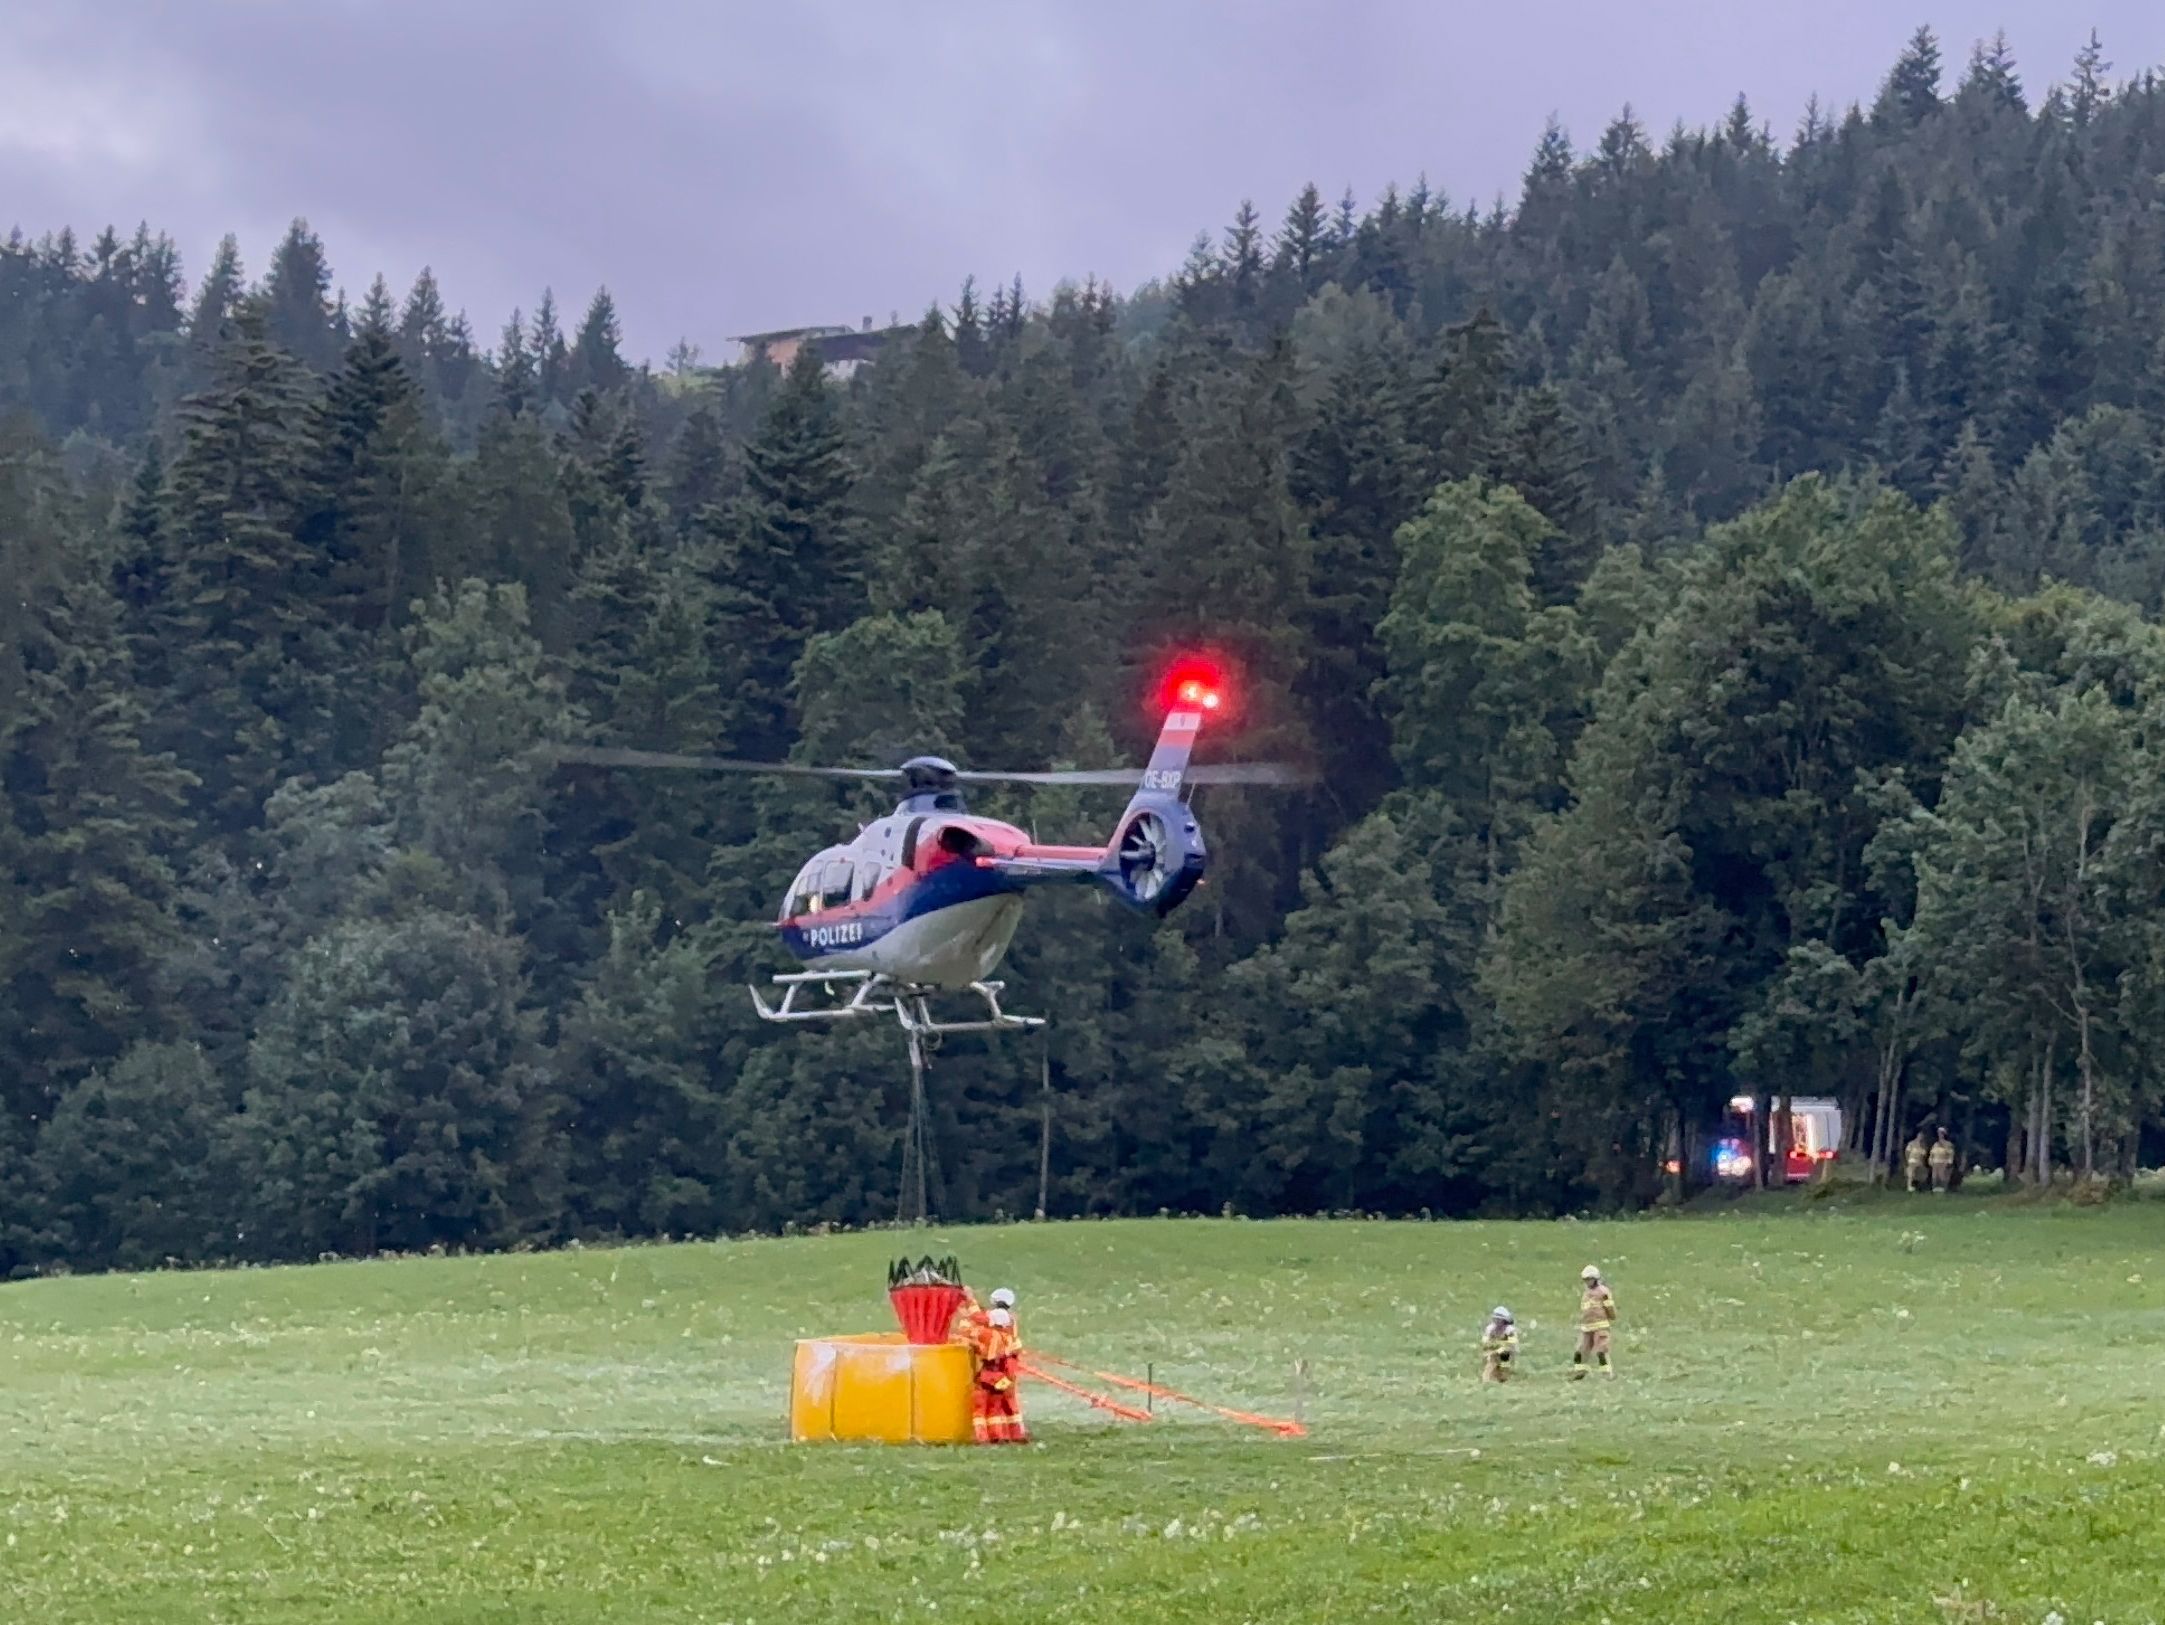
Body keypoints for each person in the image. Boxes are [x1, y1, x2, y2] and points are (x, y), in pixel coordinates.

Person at [960, 1286, 1029, 1443]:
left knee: (981, 1407)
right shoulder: (1010, 1328)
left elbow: (972, 1325)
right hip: (1006, 1372)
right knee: (1004, 1404)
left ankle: (983, 1437)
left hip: (989, 1374)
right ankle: (1011, 1434)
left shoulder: (988, 1333)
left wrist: (968, 1302)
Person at [1571, 1265, 1616, 1380]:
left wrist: (1612, 1315)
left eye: (1590, 1279)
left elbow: (1609, 1307)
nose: (1587, 1282)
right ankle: (1580, 1372)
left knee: (1601, 1351)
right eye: (1586, 1280)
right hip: (1587, 1328)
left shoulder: (1603, 1292)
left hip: (1600, 1327)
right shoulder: (1586, 1293)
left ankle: (1607, 1374)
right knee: (1580, 1350)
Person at [1480, 1307, 1519, 1383]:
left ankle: (1503, 1376)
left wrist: (1498, 1351)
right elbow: (1485, 1341)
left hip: (1506, 1353)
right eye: (1495, 1319)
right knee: (1491, 1363)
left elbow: (1511, 1345)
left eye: (1499, 1319)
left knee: (1504, 1367)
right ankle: (1487, 1379)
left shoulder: (1509, 1330)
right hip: (1494, 1351)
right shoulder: (1490, 1329)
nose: (1497, 1321)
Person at [1929, 1128, 1957, 1192]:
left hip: (1943, 1161)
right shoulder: (1935, 1144)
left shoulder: (1948, 1144)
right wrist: (1930, 1159)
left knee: (1942, 1174)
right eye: (1939, 1133)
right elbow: (1932, 1152)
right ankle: (1934, 1188)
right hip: (1935, 1161)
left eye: (1941, 1133)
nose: (1940, 1135)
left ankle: (1943, 1188)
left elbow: (1951, 1153)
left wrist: (1950, 1160)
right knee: (1935, 1175)